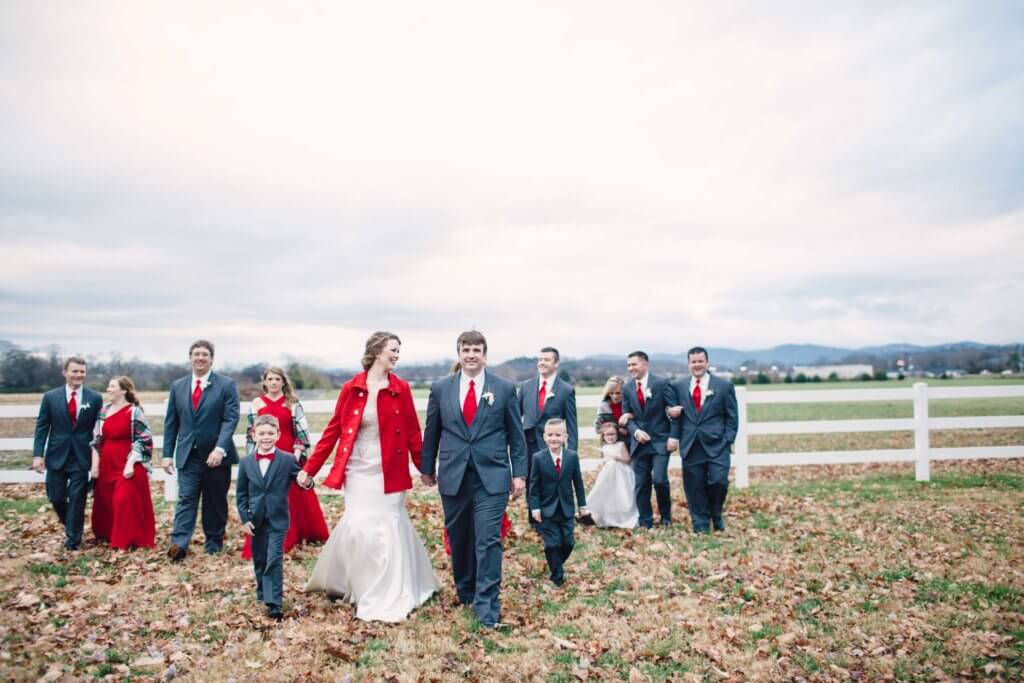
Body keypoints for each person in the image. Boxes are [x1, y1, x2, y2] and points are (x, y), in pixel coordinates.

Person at [298, 331, 438, 622]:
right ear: (376, 351)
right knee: (360, 527)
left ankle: (386, 593)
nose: (397, 355)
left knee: (386, 527)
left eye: (399, 350)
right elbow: (333, 431)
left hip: (390, 471)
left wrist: (425, 468)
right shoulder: (352, 388)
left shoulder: (401, 388)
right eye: (393, 350)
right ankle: (358, 586)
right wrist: (309, 469)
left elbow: (413, 432)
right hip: (359, 471)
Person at [420, 330, 528, 629]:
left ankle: (487, 604)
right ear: (458, 354)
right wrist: (426, 468)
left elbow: (516, 437)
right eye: (465, 349)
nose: (471, 355)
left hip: (491, 477)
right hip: (454, 476)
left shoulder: (504, 389)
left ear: (485, 355)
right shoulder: (441, 388)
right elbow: (432, 431)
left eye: (476, 350)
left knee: (488, 538)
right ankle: (466, 590)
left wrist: (519, 473)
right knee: (459, 537)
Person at [163, 340, 240, 560]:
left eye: (205, 354)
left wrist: (220, 449)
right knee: (186, 498)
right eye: (196, 354)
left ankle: (214, 542)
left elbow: (230, 419)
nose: (200, 358)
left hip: (216, 456)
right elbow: (171, 422)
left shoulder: (226, 385)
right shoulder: (178, 386)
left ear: (211, 359)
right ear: (190, 358)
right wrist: (168, 454)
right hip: (189, 454)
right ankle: (179, 544)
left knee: (214, 501)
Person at [241, 366, 328, 559]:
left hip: (289, 454)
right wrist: (252, 459)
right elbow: (250, 433)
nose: (273, 382)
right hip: (264, 453)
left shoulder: (292, 403)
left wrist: (295, 456)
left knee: (292, 496)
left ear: (283, 381)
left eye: (277, 379)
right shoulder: (256, 403)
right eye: (270, 379)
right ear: (264, 382)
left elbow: (302, 433)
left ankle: (299, 534)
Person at [32, 357, 102, 550]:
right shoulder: (50, 397)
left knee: (78, 498)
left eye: (82, 372)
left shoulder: (94, 398)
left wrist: (97, 458)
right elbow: (42, 427)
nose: (79, 375)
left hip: (81, 456)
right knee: (56, 497)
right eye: (75, 371)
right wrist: (38, 455)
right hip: (56, 455)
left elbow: (99, 430)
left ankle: (73, 540)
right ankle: (70, 523)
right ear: (65, 373)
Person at [667, 347, 738, 533]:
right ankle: (700, 523)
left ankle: (716, 513)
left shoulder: (723, 386)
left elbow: (732, 417)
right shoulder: (678, 386)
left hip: (717, 444)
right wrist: (670, 414)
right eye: (693, 362)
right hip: (691, 444)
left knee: (719, 482)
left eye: (700, 361)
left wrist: (728, 440)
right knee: (694, 486)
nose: (697, 365)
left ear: (707, 362)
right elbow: (674, 416)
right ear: (689, 364)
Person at [237, 414, 301, 620]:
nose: (266, 437)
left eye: (270, 434)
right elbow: (241, 494)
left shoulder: (288, 460)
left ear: (278, 435)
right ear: (253, 435)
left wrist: (307, 481)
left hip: (278, 518)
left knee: (274, 559)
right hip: (255, 520)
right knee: (260, 559)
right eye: (261, 433)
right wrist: (245, 518)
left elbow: (301, 480)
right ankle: (262, 592)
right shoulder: (246, 462)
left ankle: (274, 603)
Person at [89, 376, 157, 550]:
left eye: (112, 386)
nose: (108, 389)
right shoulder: (104, 411)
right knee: (108, 501)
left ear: (124, 390)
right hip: (107, 463)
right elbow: (97, 440)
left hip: (128, 463)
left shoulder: (134, 412)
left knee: (123, 500)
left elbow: (144, 440)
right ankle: (110, 535)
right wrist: (95, 466)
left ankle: (124, 541)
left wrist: (130, 463)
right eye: (108, 386)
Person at [519, 347, 577, 528]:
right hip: (528, 444)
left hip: (553, 445)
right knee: (532, 483)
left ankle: (552, 520)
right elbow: (515, 416)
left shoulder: (566, 390)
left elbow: (572, 425)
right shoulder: (526, 386)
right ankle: (534, 522)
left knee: (552, 484)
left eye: (546, 360)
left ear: (556, 363)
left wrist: (572, 453)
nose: (541, 363)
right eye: (539, 359)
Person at [528, 419, 588, 587]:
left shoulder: (571, 457)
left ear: (565, 437)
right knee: (552, 543)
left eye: (558, 435)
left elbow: (578, 482)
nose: (554, 438)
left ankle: (556, 563)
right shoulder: (538, 458)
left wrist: (582, 505)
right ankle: (557, 576)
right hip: (547, 509)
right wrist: (535, 507)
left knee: (568, 542)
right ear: (544, 437)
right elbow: (534, 486)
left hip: (567, 508)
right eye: (550, 435)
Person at [620, 351, 674, 528]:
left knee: (659, 480)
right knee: (641, 484)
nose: (631, 368)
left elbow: (674, 413)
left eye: (634, 364)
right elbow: (627, 417)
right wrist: (636, 432)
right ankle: (645, 520)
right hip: (639, 445)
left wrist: (673, 437)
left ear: (645, 364)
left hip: (660, 441)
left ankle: (666, 517)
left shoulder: (661, 384)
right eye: (628, 365)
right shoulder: (627, 388)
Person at [586, 421, 637, 529]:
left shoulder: (620, 445)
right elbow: (605, 461)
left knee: (622, 495)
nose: (610, 437)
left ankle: (623, 517)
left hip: (621, 474)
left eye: (613, 434)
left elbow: (627, 459)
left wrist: (615, 457)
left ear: (617, 435)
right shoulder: (604, 447)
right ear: (603, 436)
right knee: (606, 494)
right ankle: (606, 517)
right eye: (607, 435)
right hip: (608, 474)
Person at [593, 375, 631, 442]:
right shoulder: (604, 406)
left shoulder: (629, 404)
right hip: (611, 443)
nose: (614, 396)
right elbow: (597, 428)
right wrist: (617, 430)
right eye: (611, 393)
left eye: (618, 393)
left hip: (629, 441)